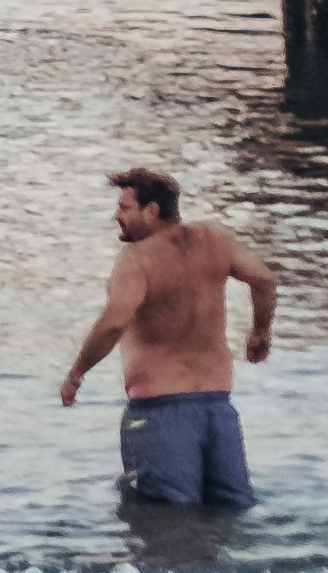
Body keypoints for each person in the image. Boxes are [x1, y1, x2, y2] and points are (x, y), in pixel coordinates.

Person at [59, 165, 273, 508]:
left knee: (163, 524)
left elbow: (115, 322)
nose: (117, 216)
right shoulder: (215, 241)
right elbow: (263, 279)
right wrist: (260, 332)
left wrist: (75, 375)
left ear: (152, 210)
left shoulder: (137, 259)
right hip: (218, 409)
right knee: (230, 514)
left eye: (125, 207)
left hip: (159, 413)